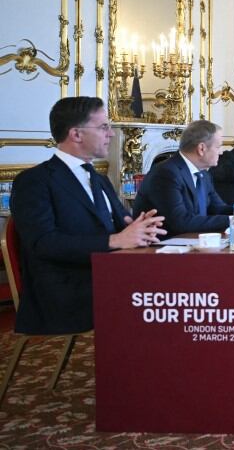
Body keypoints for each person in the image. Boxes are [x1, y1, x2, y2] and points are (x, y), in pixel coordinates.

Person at [11, 97, 165, 334]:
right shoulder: (34, 182)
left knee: (174, 288)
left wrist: (141, 229)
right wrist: (116, 240)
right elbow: (44, 243)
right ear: (76, 134)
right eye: (104, 127)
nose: (111, 134)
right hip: (65, 288)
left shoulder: (100, 179)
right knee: (160, 303)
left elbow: (122, 225)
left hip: (105, 276)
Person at [133, 120, 234, 235]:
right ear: (201, 149)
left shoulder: (204, 174)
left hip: (193, 243)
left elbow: (218, 209)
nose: (221, 152)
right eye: (218, 147)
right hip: (163, 247)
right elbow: (181, 222)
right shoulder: (166, 173)